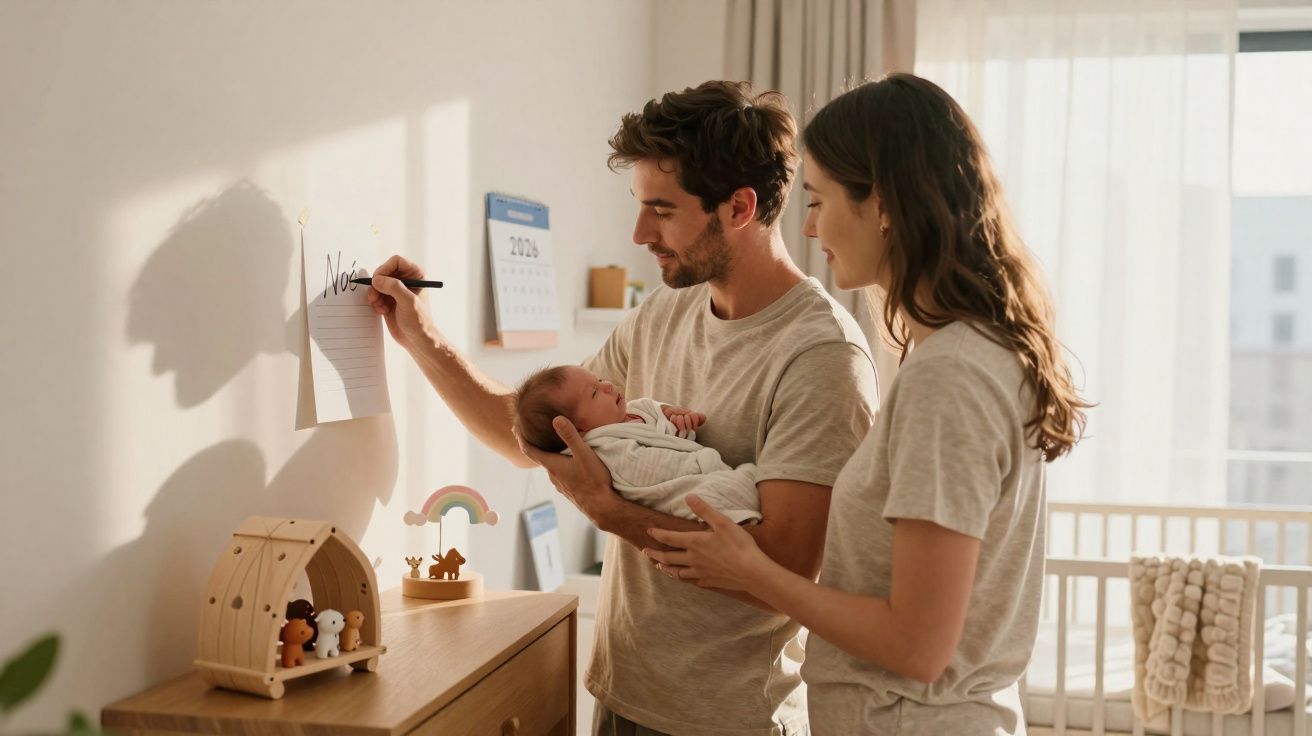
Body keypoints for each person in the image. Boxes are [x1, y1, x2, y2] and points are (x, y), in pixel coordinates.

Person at [367, 80, 879, 735]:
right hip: (623, 695)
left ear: (740, 207)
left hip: (731, 722)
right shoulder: (666, 312)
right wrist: (423, 337)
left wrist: (614, 513)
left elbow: (782, 566)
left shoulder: (821, 356)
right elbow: (533, 435)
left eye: (661, 210)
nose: (639, 232)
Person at [643, 73, 1091, 735]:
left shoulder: (951, 378)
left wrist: (747, 568)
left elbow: (916, 645)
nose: (812, 224)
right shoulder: (976, 354)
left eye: (821, 200)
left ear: (881, 202)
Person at [514, 364, 761, 524]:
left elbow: (662, 425)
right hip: (689, 486)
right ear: (577, 431)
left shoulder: (636, 409)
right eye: (594, 393)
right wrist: (700, 461)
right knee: (723, 493)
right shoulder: (608, 450)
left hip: (704, 471)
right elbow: (652, 471)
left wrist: (676, 419)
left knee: (744, 481)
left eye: (599, 380)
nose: (608, 385)